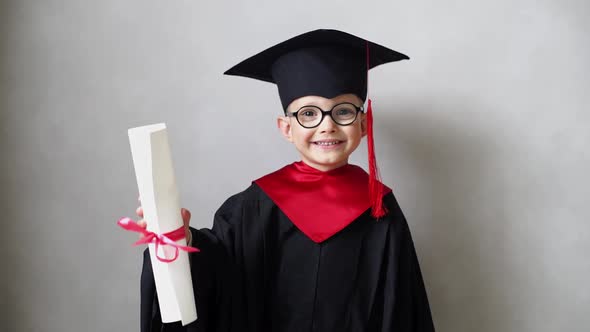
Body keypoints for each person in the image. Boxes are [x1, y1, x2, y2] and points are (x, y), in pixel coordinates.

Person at [135, 29, 435, 332]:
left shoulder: (380, 208)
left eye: (343, 111)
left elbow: (401, 309)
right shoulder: (254, 206)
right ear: (286, 128)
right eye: (308, 113)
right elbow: (216, 274)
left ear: (363, 123)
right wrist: (180, 237)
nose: (327, 126)